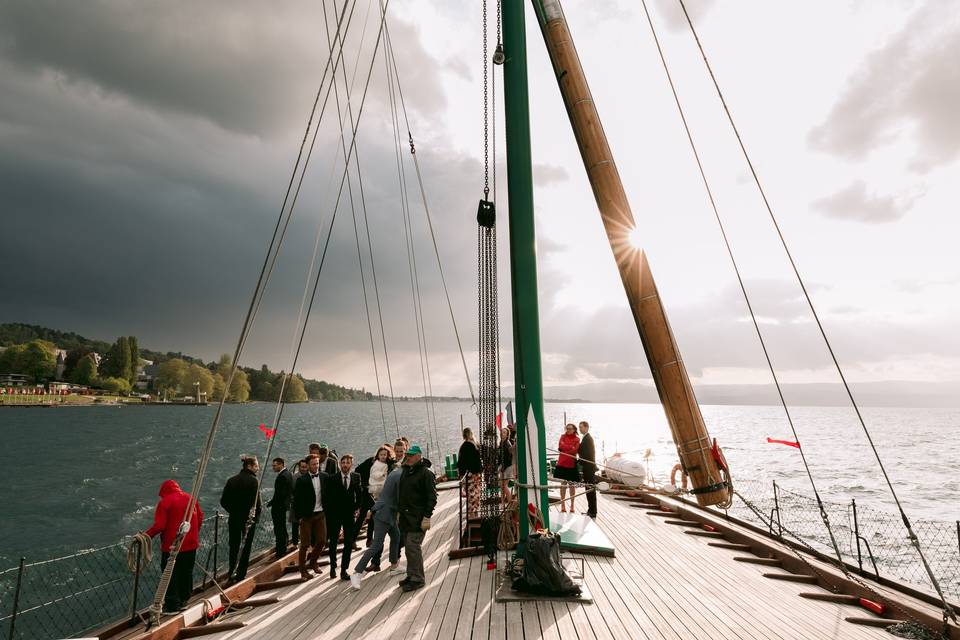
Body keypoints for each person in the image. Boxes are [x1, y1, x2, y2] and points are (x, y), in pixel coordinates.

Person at [143, 479, 203, 612]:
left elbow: (160, 525)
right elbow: (200, 517)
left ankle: (172, 605)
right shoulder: (190, 498)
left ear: (164, 491)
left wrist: (146, 535)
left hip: (172, 546)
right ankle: (184, 599)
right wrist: (193, 534)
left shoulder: (165, 502)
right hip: (191, 544)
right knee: (186, 572)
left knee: (170, 574)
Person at [350, 465, 403, 589]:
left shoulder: (396, 478)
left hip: (391, 516)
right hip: (383, 517)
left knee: (396, 537)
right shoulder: (396, 479)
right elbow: (390, 499)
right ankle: (357, 573)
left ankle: (394, 566)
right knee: (376, 546)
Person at [397, 444, 437, 592]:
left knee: (413, 547)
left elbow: (432, 497)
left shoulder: (426, 473)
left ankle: (418, 579)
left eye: (412, 455)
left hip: (417, 517)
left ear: (419, 456)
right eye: (408, 455)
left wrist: (427, 516)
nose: (408, 457)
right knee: (408, 547)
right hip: (406, 517)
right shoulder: (406, 471)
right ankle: (411, 574)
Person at [219, 456, 261, 580]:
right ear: (249, 466)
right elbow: (257, 504)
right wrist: (255, 518)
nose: (258, 468)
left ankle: (232, 570)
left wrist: (233, 511)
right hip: (248, 520)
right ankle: (241, 573)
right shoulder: (254, 481)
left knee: (234, 546)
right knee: (246, 547)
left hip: (234, 519)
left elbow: (223, 501)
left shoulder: (231, 480)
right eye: (256, 466)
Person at [323, 453, 363, 580]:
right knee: (333, 541)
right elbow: (327, 498)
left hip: (349, 514)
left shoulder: (356, 477)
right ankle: (333, 567)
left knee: (348, 542)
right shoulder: (332, 478)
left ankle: (344, 570)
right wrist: (329, 515)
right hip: (335, 515)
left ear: (351, 464)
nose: (345, 465)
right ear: (340, 464)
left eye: (347, 463)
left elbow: (360, 494)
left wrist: (357, 508)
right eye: (343, 463)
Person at [293, 454, 327, 579]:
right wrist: (299, 517)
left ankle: (313, 561)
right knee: (305, 544)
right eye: (313, 464)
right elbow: (296, 501)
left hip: (320, 514)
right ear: (307, 466)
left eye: (317, 463)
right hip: (306, 516)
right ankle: (303, 571)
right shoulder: (301, 481)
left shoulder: (324, 477)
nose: (316, 466)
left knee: (322, 540)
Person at [353, 445, 396, 545]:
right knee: (364, 515)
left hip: (379, 493)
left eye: (385, 454)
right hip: (368, 491)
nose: (383, 456)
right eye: (381, 454)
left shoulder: (389, 463)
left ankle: (369, 539)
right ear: (378, 454)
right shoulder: (371, 462)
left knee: (373, 514)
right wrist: (364, 484)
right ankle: (354, 539)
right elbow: (357, 470)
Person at [267, 457, 294, 557]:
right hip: (284, 506)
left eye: (275, 465)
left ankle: (280, 551)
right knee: (282, 527)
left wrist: (273, 503)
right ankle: (284, 546)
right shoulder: (288, 473)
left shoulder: (282, 476)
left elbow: (280, 494)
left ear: (281, 464)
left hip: (279, 507)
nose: (273, 467)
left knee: (278, 529)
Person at [555, 424, 580, 513]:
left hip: (571, 464)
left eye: (570, 429)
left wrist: (566, 447)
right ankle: (563, 504)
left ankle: (572, 505)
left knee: (571, 485)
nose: (568, 430)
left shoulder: (577, 439)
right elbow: (561, 446)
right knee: (563, 484)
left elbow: (575, 450)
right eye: (567, 428)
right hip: (562, 463)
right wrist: (570, 447)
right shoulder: (562, 436)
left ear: (574, 430)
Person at [457, 427, 482, 517]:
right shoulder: (475, 444)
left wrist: (461, 474)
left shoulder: (464, 446)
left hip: (469, 474)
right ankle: (475, 510)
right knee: (477, 492)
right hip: (477, 473)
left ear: (464, 435)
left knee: (471, 494)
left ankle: (471, 513)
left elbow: (462, 462)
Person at [578, 421, 597, 518]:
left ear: (586, 427)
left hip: (589, 468)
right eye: (579, 427)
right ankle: (590, 510)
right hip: (587, 467)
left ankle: (593, 511)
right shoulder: (585, 438)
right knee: (588, 489)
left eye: (581, 427)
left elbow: (587, 454)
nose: (580, 429)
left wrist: (579, 462)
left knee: (590, 489)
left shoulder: (588, 439)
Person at [289, 458, 309, 547]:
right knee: (295, 525)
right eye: (302, 467)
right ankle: (295, 543)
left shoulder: (310, 476)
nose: (304, 469)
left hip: (307, 505)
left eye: (305, 467)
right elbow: (291, 491)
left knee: (307, 525)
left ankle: (306, 541)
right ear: (299, 467)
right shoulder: (294, 478)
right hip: (296, 505)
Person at [498, 426, 515, 505]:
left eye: (504, 432)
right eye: (501, 432)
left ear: (507, 434)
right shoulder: (501, 442)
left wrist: (502, 468)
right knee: (502, 486)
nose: (502, 433)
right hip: (503, 467)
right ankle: (502, 504)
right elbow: (500, 457)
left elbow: (508, 459)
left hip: (507, 467)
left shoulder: (507, 444)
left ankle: (510, 503)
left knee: (503, 486)